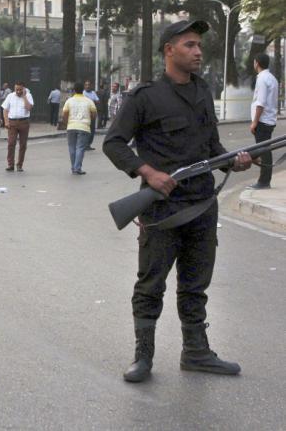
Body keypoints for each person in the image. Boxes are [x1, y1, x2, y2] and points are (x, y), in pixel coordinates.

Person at [103, 20, 253, 384]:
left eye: (199, 45)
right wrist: (148, 173)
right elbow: (114, 143)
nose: (198, 51)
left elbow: (210, 146)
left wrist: (232, 159)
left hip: (202, 205)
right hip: (162, 210)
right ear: (169, 50)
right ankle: (143, 356)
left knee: (195, 284)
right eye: (189, 45)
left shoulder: (203, 91)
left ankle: (197, 352)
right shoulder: (145, 97)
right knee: (151, 283)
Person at [248, 52, 279, 190]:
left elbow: (260, 103)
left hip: (262, 121)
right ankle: (264, 180)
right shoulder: (272, 78)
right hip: (270, 119)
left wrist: (254, 122)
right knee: (265, 150)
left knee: (263, 151)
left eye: (254, 62)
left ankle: (264, 181)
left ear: (257, 63)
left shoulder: (262, 79)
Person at [62, 82, 96, 175]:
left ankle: (74, 167)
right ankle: (77, 168)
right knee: (80, 148)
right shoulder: (89, 101)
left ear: (74, 90)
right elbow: (94, 114)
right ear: (83, 90)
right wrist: (89, 119)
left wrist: (67, 124)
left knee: (72, 147)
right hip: (84, 127)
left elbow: (64, 114)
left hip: (71, 126)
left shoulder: (69, 101)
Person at [1, 81, 34, 172]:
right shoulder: (10, 96)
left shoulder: (28, 96)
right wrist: (6, 121)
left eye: (20, 89)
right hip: (12, 123)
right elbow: (5, 110)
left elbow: (29, 108)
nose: (18, 91)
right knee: (11, 143)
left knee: (23, 145)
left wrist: (24, 97)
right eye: (16, 89)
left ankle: (19, 165)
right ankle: (10, 164)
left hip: (24, 122)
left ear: (23, 89)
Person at [83, 80, 99, 150]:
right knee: (86, 130)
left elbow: (98, 101)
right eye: (86, 85)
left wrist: (89, 101)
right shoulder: (83, 93)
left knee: (92, 130)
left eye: (89, 85)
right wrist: (92, 101)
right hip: (85, 114)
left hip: (92, 114)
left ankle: (88, 144)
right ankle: (84, 145)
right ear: (84, 86)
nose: (88, 86)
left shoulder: (93, 93)